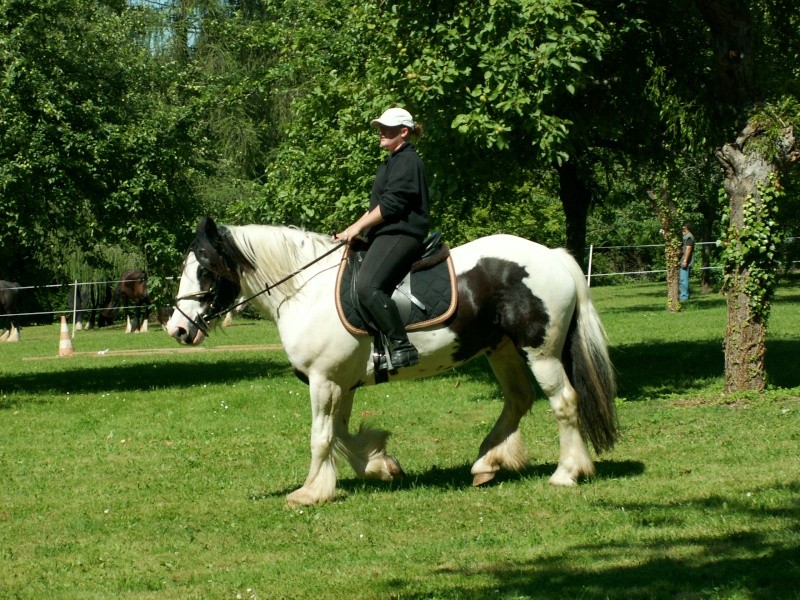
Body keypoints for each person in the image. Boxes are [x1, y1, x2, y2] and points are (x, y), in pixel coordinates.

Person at [334, 107, 430, 369]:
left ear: (404, 132)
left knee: (367, 287)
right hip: (385, 232)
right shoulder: (390, 162)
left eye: (387, 128)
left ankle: (403, 346)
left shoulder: (408, 161)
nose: (381, 132)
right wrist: (352, 229)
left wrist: (358, 227)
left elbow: (391, 205)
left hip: (402, 233)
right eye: (380, 127)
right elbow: (377, 206)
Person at [679, 222, 695, 302]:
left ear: (686, 228)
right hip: (682, 260)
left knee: (683, 279)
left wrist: (685, 261)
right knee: (682, 279)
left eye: (683, 228)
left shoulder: (689, 237)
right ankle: (684, 295)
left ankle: (684, 297)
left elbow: (688, 249)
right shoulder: (685, 236)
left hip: (685, 261)